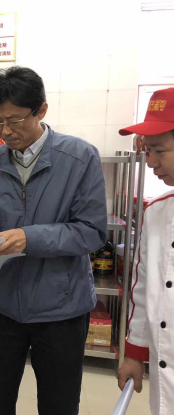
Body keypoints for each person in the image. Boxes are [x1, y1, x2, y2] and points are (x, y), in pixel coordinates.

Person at [0, 67, 108, 415]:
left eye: (15, 120)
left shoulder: (80, 158)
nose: (5, 131)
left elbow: (91, 231)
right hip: (2, 307)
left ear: (41, 110)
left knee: (58, 405)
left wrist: (28, 238)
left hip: (61, 309)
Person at [117, 87, 174, 415]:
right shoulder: (157, 211)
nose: (150, 161)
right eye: (147, 150)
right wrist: (135, 353)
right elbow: (144, 290)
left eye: (158, 150)